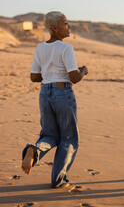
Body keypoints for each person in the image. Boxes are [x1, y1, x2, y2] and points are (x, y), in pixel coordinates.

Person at [21, 11, 88, 188]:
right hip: (63, 93)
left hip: (45, 93)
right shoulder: (66, 48)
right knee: (69, 137)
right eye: (65, 23)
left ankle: (34, 150)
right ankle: (58, 180)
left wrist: (50, 75)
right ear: (54, 28)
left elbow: (34, 77)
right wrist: (83, 71)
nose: (69, 26)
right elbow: (74, 78)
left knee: (50, 134)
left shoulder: (40, 48)